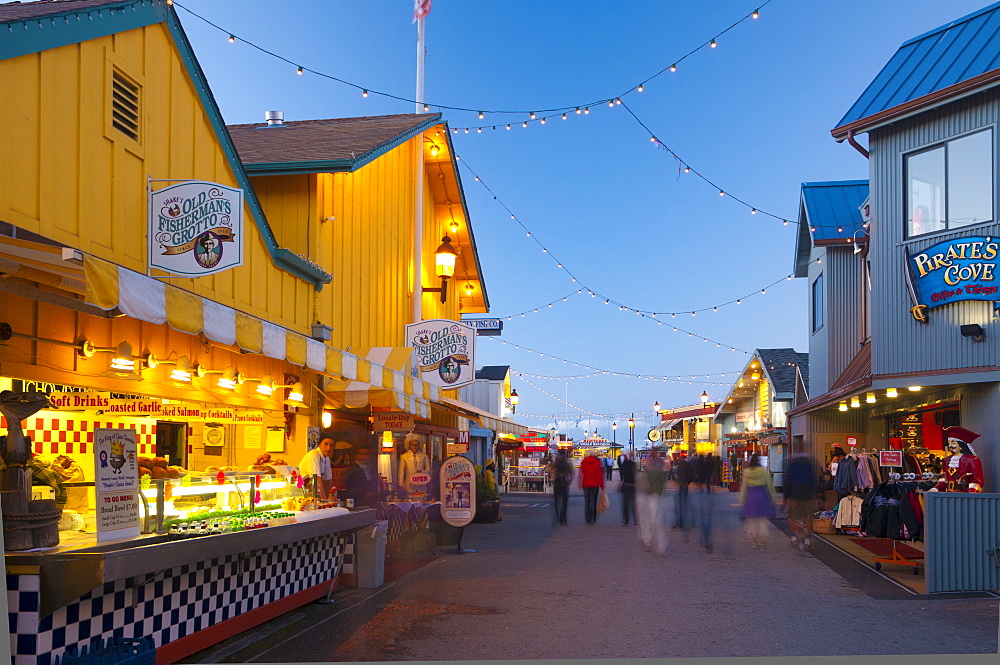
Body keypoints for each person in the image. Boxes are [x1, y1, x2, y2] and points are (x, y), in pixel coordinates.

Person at [739, 453, 778, 548]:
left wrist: (742, 499)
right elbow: (770, 485)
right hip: (762, 495)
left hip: (751, 496)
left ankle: (753, 540)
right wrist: (774, 498)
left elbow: (744, 487)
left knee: (751, 519)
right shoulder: (764, 471)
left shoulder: (747, 472)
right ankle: (761, 539)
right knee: (762, 519)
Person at [930, 427, 985, 493]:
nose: (950, 445)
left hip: (965, 494)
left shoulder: (972, 460)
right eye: (949, 443)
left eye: (953, 443)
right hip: (949, 494)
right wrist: (936, 489)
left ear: (961, 445)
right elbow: (944, 479)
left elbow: (977, 481)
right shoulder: (947, 460)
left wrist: (971, 493)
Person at [784, 449, 819, 551]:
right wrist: (815, 495)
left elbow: (788, 480)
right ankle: (808, 540)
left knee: (792, 517)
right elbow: (813, 480)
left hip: (794, 493)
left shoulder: (792, 463)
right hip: (807, 494)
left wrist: (785, 497)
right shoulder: (809, 464)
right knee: (807, 517)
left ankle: (794, 538)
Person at [637, 455, 669, 555]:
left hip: (647, 498)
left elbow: (641, 484)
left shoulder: (648, 473)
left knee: (646, 521)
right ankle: (661, 548)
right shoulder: (661, 474)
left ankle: (647, 542)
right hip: (657, 498)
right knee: (658, 523)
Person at [298, 434, 335, 499]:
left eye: (331, 445)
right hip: (301, 490)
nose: (328, 448)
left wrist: (330, 498)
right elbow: (316, 479)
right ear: (319, 444)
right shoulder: (313, 454)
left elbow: (328, 481)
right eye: (326, 444)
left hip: (313, 490)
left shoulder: (327, 458)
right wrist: (324, 500)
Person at [546, 451, 574, 525]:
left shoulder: (555, 464)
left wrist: (552, 478)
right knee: (564, 502)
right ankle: (563, 518)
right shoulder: (567, 464)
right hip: (564, 484)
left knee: (556, 501)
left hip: (557, 484)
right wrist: (569, 482)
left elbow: (550, 473)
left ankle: (556, 517)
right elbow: (571, 474)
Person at [579, 450, 605, 525]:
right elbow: (599, 475)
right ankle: (593, 518)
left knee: (587, 501)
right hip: (595, 484)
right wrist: (602, 486)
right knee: (593, 501)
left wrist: (580, 483)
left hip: (586, 484)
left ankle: (587, 518)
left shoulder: (584, 462)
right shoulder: (597, 463)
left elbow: (581, 473)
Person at [673, 455, 694, 532]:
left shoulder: (682, 465)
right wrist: (688, 482)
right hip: (684, 485)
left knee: (681, 504)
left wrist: (683, 482)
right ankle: (683, 522)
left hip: (682, 485)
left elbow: (680, 475)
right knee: (683, 504)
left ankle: (681, 522)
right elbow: (692, 475)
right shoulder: (688, 465)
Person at [618, 452, 637, 525]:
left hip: (626, 484)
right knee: (633, 504)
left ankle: (626, 520)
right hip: (633, 485)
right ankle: (635, 520)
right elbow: (635, 475)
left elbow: (623, 473)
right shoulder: (633, 464)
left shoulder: (624, 464)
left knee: (626, 503)